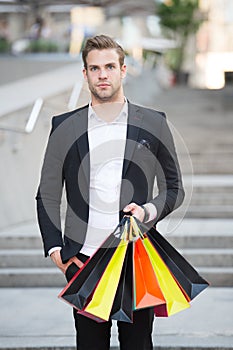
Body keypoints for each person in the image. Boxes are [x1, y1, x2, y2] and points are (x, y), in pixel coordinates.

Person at [36, 34, 185, 350]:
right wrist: (56, 252)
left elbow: (174, 188)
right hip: (83, 261)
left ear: (123, 70)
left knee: (138, 344)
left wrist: (148, 210)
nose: (102, 74)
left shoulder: (154, 123)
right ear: (85, 74)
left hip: (136, 259)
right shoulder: (64, 125)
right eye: (94, 68)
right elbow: (47, 193)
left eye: (109, 66)